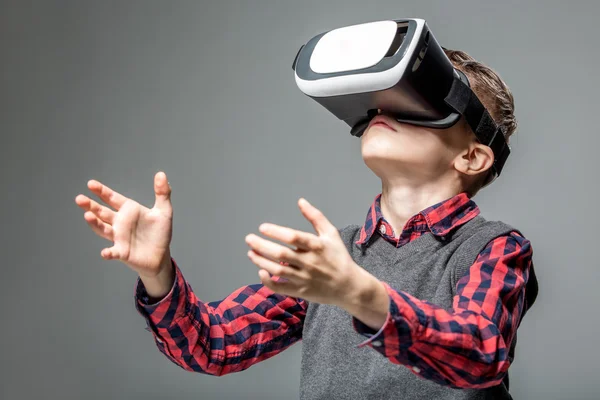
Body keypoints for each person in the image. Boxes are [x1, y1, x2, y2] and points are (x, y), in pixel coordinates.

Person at [75, 48, 538, 400]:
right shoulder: (331, 257)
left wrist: (358, 295)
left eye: (415, 101)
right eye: (381, 100)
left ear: (471, 156)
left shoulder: (493, 248)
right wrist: (158, 275)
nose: (382, 111)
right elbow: (213, 345)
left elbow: (480, 354)